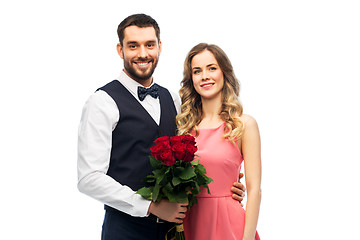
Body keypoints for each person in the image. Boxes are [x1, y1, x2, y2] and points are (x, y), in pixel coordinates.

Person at [77, 14, 245, 240]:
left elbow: (195, 156)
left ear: (159, 47)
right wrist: (149, 206)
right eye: (133, 46)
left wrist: (225, 185)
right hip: (125, 231)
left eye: (149, 45)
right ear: (120, 50)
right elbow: (89, 178)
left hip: (174, 230)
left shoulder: (173, 100)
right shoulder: (102, 101)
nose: (143, 54)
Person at [177, 43, 261, 240]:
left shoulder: (243, 125)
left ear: (224, 73)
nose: (204, 76)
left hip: (230, 226)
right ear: (192, 80)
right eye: (197, 71)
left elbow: (255, 189)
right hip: (190, 224)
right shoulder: (184, 128)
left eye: (212, 68)